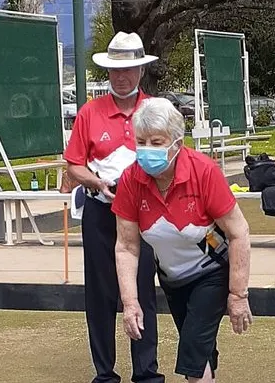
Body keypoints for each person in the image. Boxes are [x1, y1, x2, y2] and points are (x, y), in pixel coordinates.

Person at [115, 98, 252, 383]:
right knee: (200, 350)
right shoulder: (130, 180)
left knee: (191, 350)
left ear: (176, 143)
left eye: (156, 141)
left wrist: (238, 295)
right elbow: (127, 246)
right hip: (172, 278)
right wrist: (131, 303)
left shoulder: (203, 172)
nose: (147, 150)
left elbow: (239, 232)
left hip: (212, 271)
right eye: (141, 141)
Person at [64, 32, 164, 383]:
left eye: (129, 70)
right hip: (100, 211)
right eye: (115, 71)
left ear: (140, 71)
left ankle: (146, 371)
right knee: (100, 294)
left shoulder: (154, 111)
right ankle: (105, 373)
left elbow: (171, 158)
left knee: (143, 291)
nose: (122, 77)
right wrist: (95, 182)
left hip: (144, 213)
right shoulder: (90, 113)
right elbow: (74, 164)